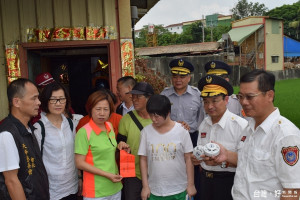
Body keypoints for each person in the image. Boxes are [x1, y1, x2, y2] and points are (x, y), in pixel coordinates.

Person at [213, 69, 300, 200]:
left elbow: (293, 190)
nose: (244, 102)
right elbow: (251, 162)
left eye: (250, 97)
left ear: (270, 95)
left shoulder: (285, 135)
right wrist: (227, 155)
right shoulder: (249, 126)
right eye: (240, 97)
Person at [192, 75, 248, 200]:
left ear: (226, 100)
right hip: (205, 181)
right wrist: (197, 159)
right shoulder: (204, 125)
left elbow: (247, 161)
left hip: (228, 182)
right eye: (206, 102)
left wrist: (224, 161)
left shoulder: (240, 126)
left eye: (214, 100)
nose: (210, 106)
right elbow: (201, 152)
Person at [161, 58, 204, 200]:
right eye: (175, 76)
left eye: (182, 76)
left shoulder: (198, 95)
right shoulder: (164, 95)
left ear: (189, 77)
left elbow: (202, 120)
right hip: (170, 140)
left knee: (194, 172)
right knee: (174, 170)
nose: (178, 79)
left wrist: (191, 127)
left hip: (192, 139)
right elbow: (159, 120)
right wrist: (173, 125)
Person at [138, 94, 196, 200]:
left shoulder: (182, 131)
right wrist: (145, 187)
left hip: (180, 189)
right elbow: (143, 159)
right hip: (155, 190)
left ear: (168, 113)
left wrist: (191, 184)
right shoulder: (145, 132)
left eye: (157, 116)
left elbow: (189, 158)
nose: (153, 119)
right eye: (151, 115)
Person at [0, 78, 50, 199]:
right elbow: (11, 181)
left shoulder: (28, 127)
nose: (38, 102)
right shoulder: (7, 134)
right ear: (17, 102)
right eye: (33, 98)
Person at [33, 82, 80, 200]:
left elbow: (76, 153)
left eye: (61, 99)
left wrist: (79, 178)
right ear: (45, 101)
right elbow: (36, 161)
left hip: (72, 186)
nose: (58, 103)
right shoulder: (39, 128)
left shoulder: (70, 124)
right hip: (51, 189)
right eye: (53, 100)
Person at [75, 90, 123, 200]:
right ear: (90, 109)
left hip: (115, 186)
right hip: (96, 191)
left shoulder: (109, 126)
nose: (102, 113)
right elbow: (79, 163)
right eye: (98, 109)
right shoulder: (84, 132)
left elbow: (108, 149)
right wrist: (107, 175)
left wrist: (120, 145)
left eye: (106, 109)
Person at [117, 82, 154, 200]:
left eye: (139, 97)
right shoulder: (126, 119)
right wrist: (121, 146)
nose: (134, 100)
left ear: (150, 98)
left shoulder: (158, 118)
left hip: (156, 172)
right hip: (133, 174)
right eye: (133, 97)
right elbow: (119, 144)